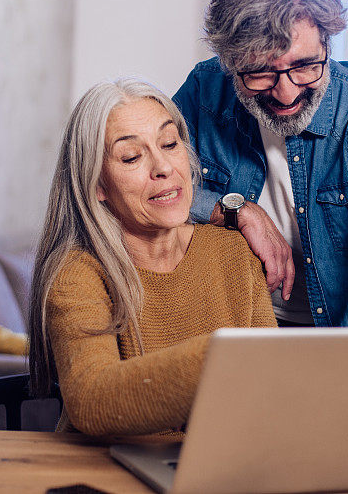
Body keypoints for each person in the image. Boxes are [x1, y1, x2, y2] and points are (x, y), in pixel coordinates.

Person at [173, 0, 348, 329]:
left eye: (306, 66)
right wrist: (236, 211)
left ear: (327, 43)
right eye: (260, 72)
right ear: (229, 63)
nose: (287, 92)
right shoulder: (204, 91)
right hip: (241, 326)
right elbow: (156, 189)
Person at [27, 79, 276, 437]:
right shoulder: (77, 273)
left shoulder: (233, 251)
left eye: (170, 144)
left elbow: (268, 393)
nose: (163, 167)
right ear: (97, 184)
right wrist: (227, 358)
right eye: (131, 157)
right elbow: (92, 400)